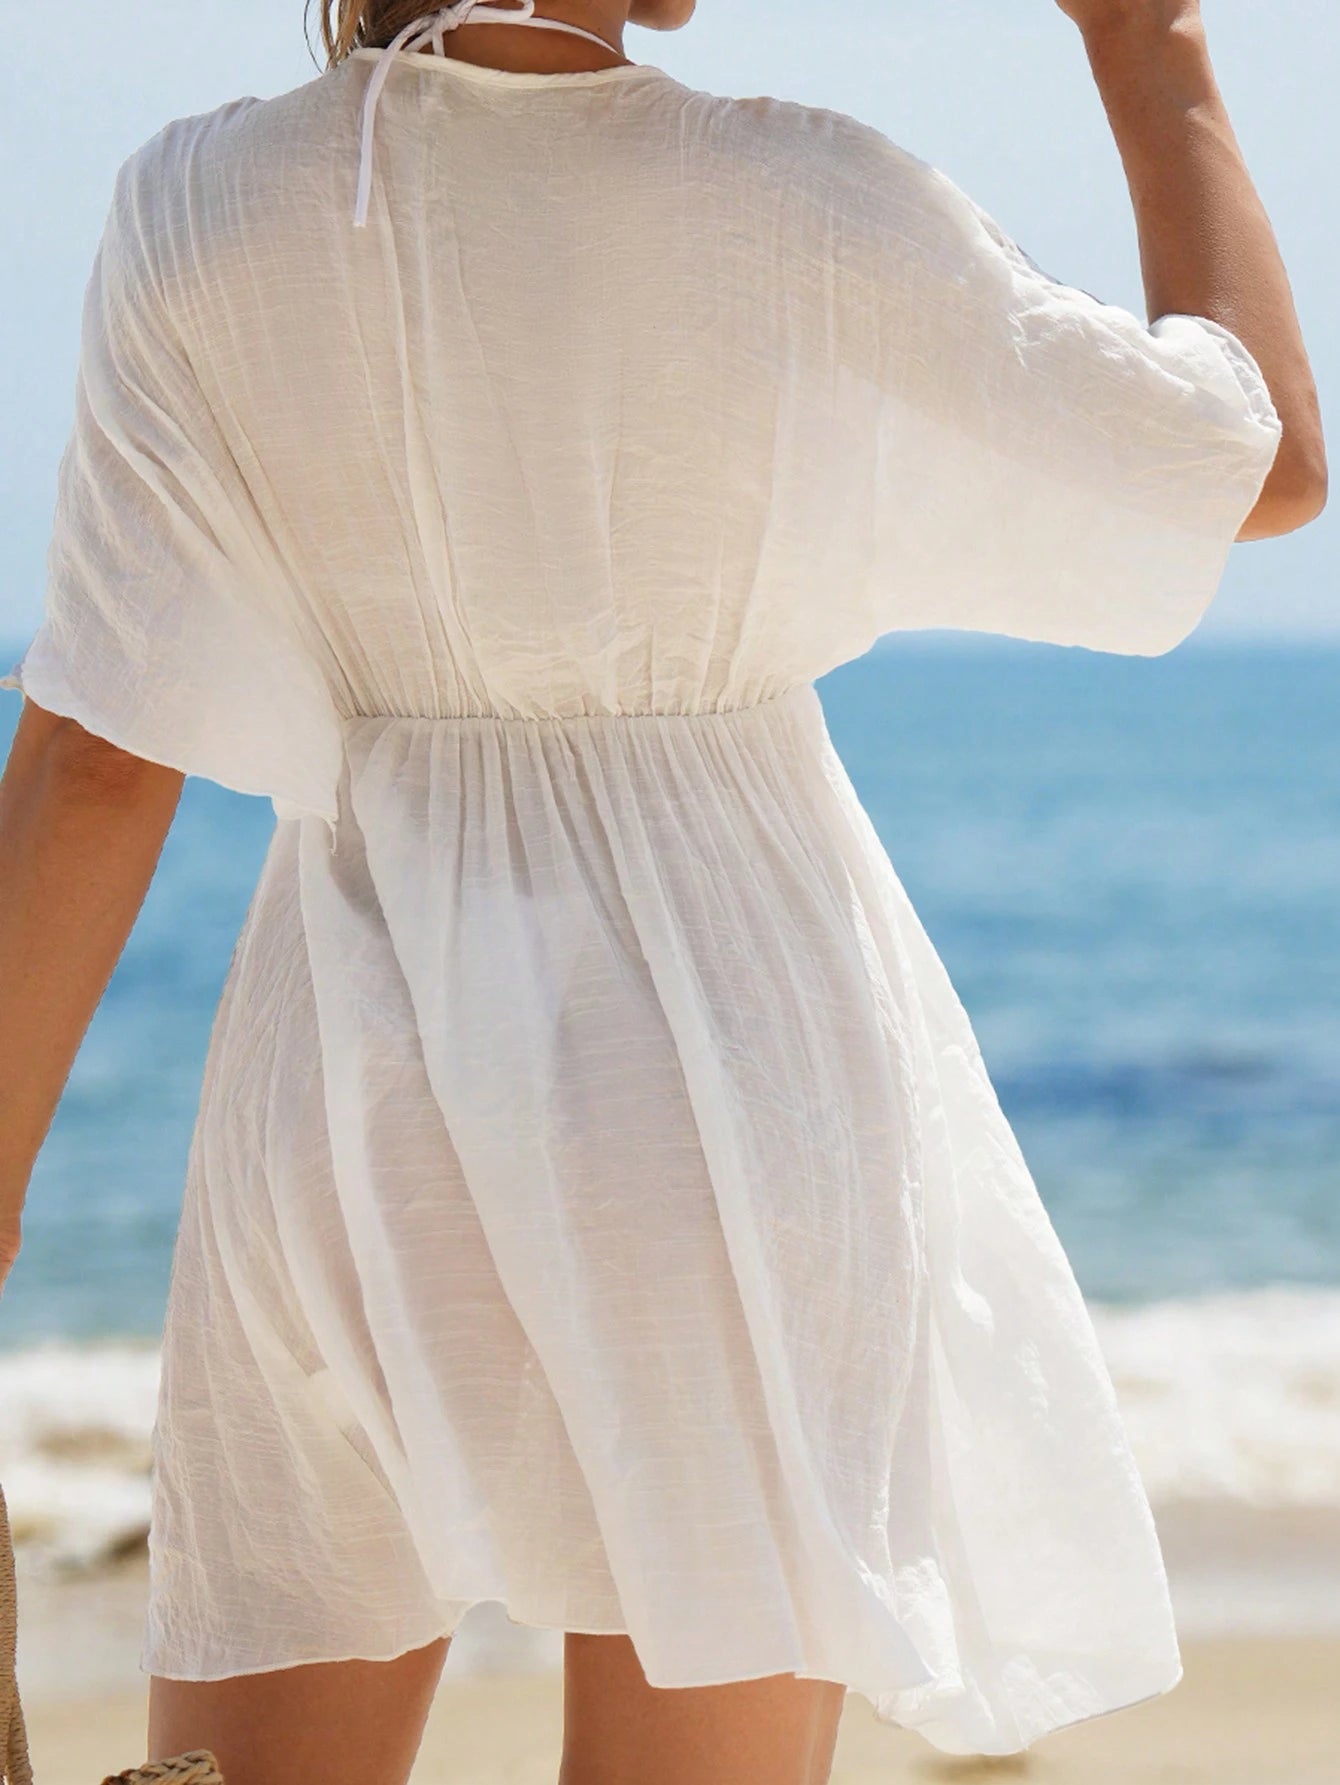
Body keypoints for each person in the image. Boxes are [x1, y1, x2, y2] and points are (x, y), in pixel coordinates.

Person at [0, 2, 1324, 1782]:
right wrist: (1146, 51)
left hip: (344, 1084)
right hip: (729, 1075)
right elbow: (1256, 461)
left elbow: (95, 761)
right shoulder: (801, 191)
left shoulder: (198, 208)